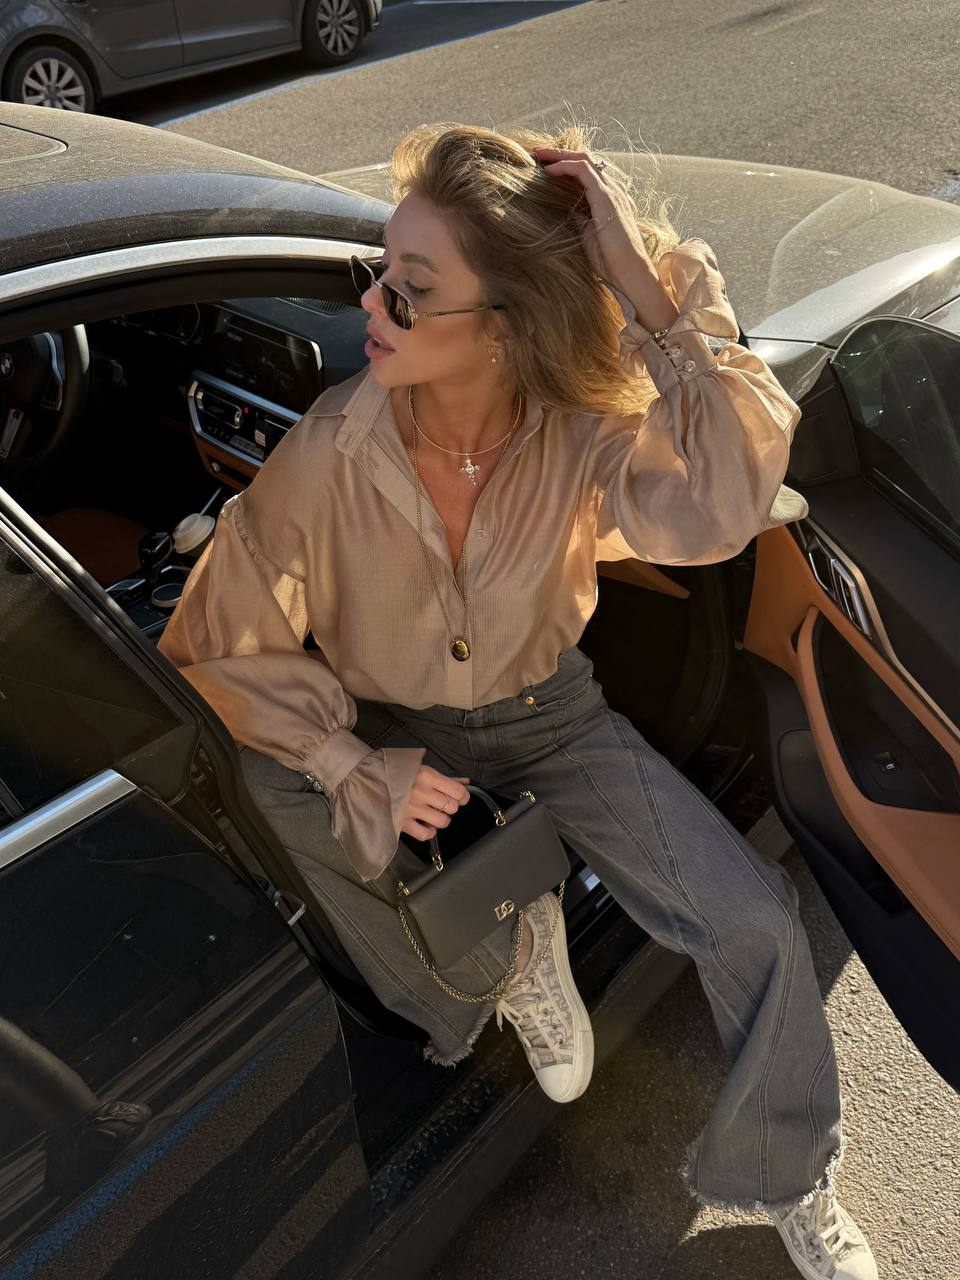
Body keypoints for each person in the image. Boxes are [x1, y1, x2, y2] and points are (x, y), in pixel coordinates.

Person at [157, 120, 878, 1279]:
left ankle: (788, 1175)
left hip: (556, 716)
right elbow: (212, 642)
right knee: (274, 775)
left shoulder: (581, 439)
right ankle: (506, 960)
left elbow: (733, 493)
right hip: (398, 723)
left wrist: (642, 277)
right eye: (378, 277)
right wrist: (353, 762)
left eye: (410, 293)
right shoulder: (327, 453)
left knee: (757, 923)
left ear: (500, 324)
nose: (373, 310)